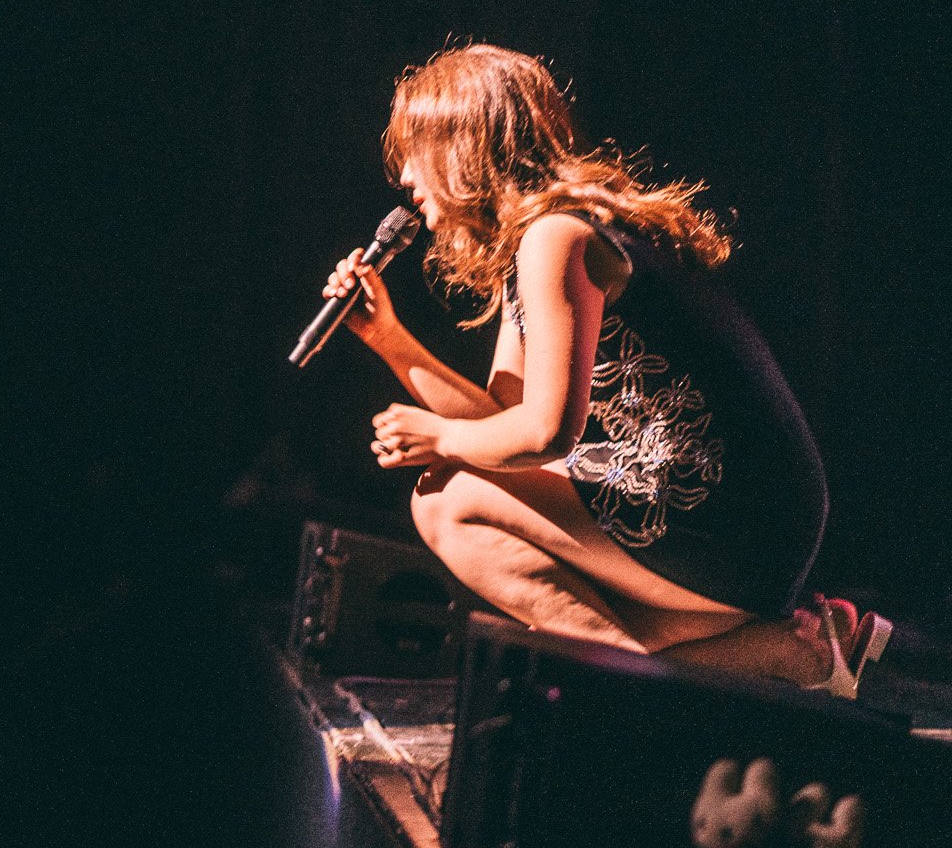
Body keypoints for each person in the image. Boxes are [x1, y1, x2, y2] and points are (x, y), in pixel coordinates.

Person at [326, 43, 883, 694]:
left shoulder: (555, 237)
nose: (406, 180)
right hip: (742, 522)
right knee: (508, 526)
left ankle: (623, 689)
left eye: (413, 155)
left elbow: (542, 436)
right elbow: (503, 427)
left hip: (727, 522)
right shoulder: (541, 242)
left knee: (444, 499)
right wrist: (391, 339)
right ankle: (786, 651)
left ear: (458, 147)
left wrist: (440, 438)